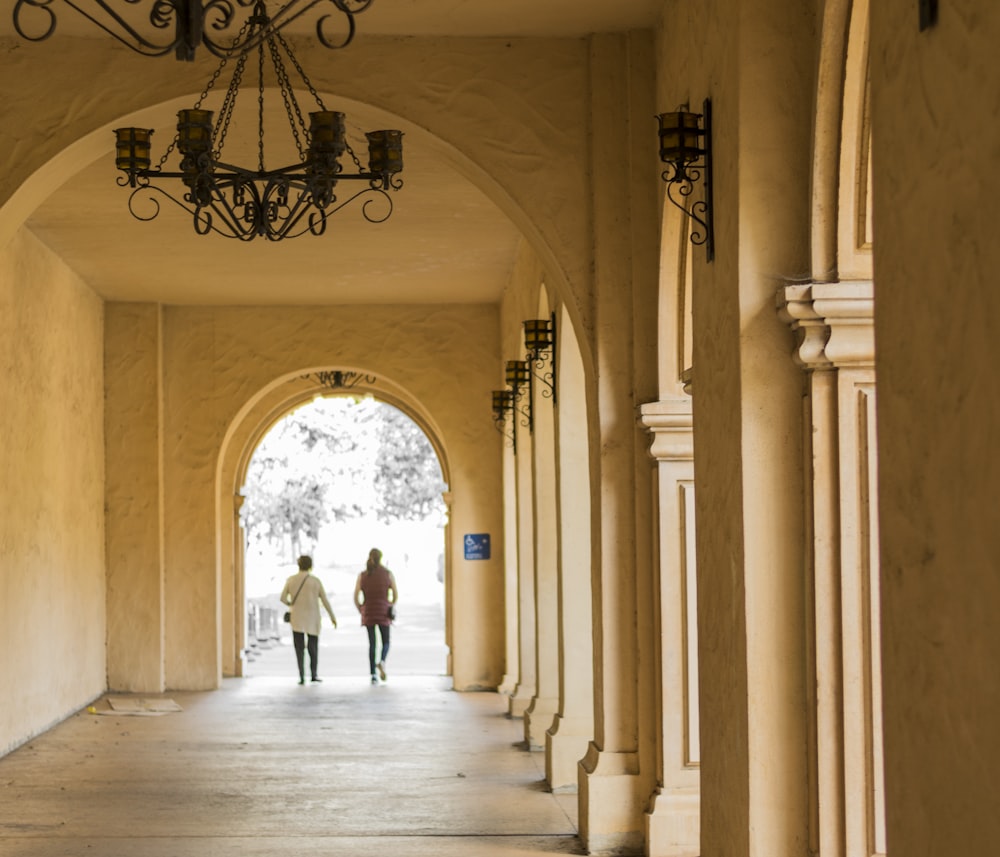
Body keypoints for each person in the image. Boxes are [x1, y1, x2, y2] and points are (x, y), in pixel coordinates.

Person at [280, 555, 337, 685]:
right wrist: (332, 617)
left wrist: (291, 604)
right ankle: (313, 674)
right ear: (310, 565)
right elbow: (325, 600)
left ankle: (301, 675)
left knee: (299, 648)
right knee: (313, 647)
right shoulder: (315, 581)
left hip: (297, 618)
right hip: (313, 618)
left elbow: (282, 598)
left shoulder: (291, 580)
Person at [353, 548, 398, 684]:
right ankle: (382, 661)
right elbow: (395, 595)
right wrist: (389, 604)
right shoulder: (388, 574)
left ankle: (373, 674)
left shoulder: (363, 575)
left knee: (372, 643)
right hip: (384, 611)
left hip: (369, 612)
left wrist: (361, 609)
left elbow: (356, 597)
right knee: (386, 641)